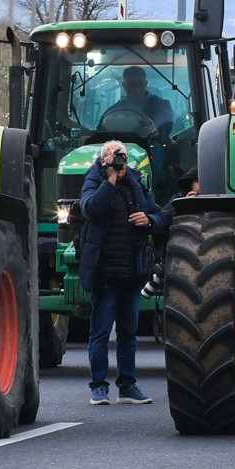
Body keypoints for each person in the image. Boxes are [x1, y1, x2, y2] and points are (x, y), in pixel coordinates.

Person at [77, 140, 166, 405]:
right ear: (102, 159)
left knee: (128, 334)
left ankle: (127, 386)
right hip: (104, 273)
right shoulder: (94, 181)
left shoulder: (136, 183)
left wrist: (148, 221)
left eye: (122, 156)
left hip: (131, 272)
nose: (119, 160)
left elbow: (159, 215)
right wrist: (110, 180)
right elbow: (92, 209)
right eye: (113, 155)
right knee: (101, 333)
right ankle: (98, 387)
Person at [100, 66, 175, 141]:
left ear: (146, 84)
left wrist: (157, 131)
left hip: (151, 146)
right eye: (131, 85)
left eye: (140, 84)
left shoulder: (162, 106)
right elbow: (101, 130)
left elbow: (166, 124)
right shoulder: (111, 111)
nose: (136, 89)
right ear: (124, 86)